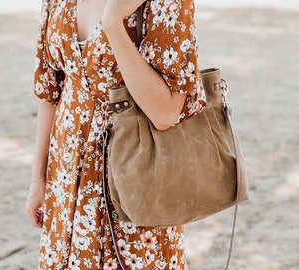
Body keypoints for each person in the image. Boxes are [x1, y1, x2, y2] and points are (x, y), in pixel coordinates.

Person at [25, 0, 205, 268]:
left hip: (132, 176)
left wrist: (113, 23)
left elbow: (165, 113)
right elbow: (50, 89)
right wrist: (38, 180)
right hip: (65, 176)